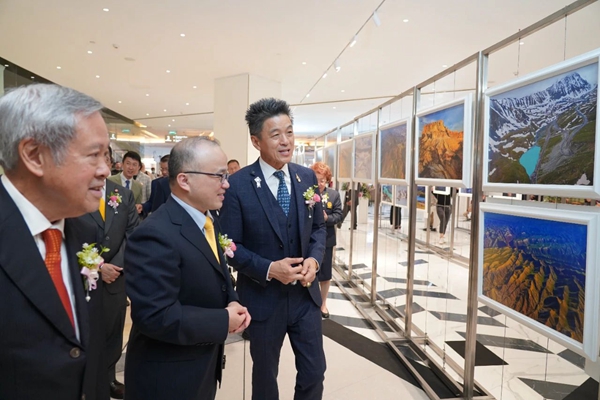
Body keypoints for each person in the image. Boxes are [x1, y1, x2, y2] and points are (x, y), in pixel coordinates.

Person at [0, 83, 110, 399]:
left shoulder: (84, 232)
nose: (105, 170)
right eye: (94, 155)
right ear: (34, 155)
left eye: (106, 155)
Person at [124, 137, 250, 400]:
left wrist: (232, 300)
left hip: (200, 365)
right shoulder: (155, 234)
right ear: (184, 180)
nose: (226, 184)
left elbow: (217, 273)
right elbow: (155, 316)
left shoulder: (206, 219)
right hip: (168, 379)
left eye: (226, 176)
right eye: (218, 176)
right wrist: (223, 320)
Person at [220, 98, 327, 400]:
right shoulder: (237, 185)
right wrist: (268, 269)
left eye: (289, 132)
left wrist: (314, 260)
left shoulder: (306, 177)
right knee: (265, 376)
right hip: (263, 299)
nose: (286, 141)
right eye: (276, 134)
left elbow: (318, 229)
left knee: (314, 371)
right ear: (256, 141)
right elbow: (229, 245)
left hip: (305, 297)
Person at [78, 151, 140, 399]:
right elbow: (68, 235)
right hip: (84, 278)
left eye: (105, 156)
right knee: (88, 332)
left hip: (116, 277)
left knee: (113, 331)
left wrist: (115, 266)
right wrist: (97, 266)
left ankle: (109, 378)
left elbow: (133, 234)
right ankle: (87, 382)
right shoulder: (75, 191)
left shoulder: (123, 194)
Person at [310, 162, 342, 319]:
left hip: (327, 239)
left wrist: (327, 218)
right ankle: (311, 303)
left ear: (327, 180)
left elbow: (339, 215)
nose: (319, 184)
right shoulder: (307, 193)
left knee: (325, 274)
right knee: (310, 272)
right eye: (316, 180)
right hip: (310, 239)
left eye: (322, 180)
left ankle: (323, 304)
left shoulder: (334, 195)